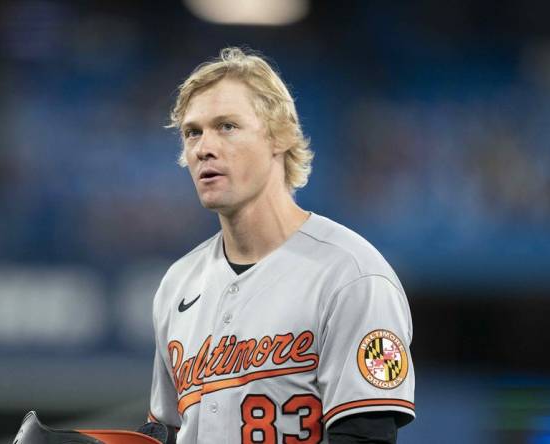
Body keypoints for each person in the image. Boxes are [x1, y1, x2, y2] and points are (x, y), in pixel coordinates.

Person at [147, 47, 415, 444]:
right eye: (193, 132)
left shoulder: (352, 275)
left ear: (279, 136)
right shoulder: (178, 284)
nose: (204, 147)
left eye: (227, 126)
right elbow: (165, 432)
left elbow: (366, 436)